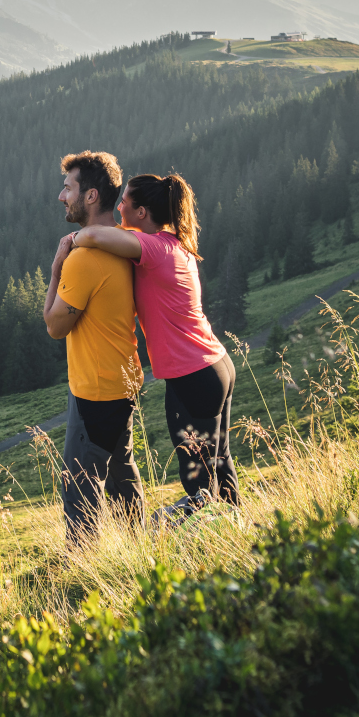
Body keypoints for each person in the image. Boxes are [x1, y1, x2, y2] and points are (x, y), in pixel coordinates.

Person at [70, 171, 239, 519]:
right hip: (216, 365)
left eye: (126, 204)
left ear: (143, 212)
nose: (119, 210)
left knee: (197, 477)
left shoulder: (153, 248)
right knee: (219, 462)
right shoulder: (177, 244)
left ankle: (210, 544)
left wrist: (71, 242)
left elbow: (92, 235)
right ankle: (237, 529)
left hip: (191, 377)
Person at [44, 150, 142, 539]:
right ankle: (139, 551)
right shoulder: (127, 243)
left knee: (79, 489)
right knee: (121, 473)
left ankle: (82, 568)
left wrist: (56, 268)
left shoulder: (82, 259)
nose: (60, 196)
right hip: (125, 380)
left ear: (91, 196)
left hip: (94, 391)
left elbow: (54, 326)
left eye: (68, 188)